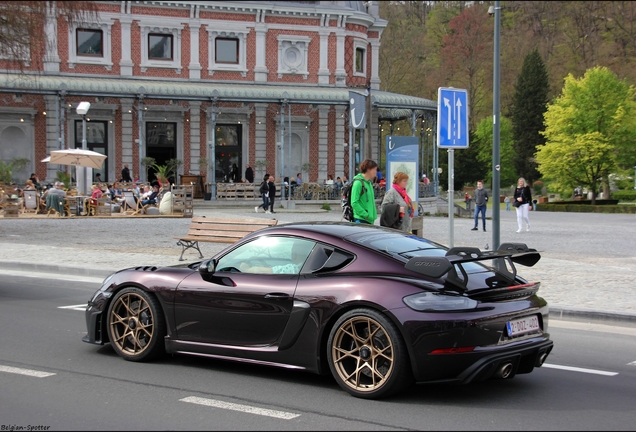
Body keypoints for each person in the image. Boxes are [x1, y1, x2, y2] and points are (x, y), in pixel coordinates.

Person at [239, 241, 313, 274]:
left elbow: (262, 271)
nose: (291, 250)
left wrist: (246, 268)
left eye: (293, 247)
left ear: (296, 253)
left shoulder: (294, 269)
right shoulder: (307, 266)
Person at [351, 159, 378, 225]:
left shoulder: (369, 183)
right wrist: (366, 215)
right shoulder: (358, 183)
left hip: (369, 220)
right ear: (368, 169)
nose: (375, 172)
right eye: (374, 169)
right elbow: (354, 202)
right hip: (361, 220)